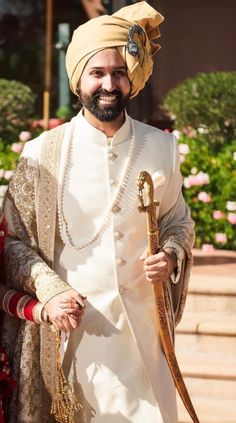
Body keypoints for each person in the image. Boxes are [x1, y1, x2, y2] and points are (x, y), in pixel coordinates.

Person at [1, 2, 195, 422]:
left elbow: (178, 221)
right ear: (78, 82)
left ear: (131, 79)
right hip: (74, 340)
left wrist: (173, 254)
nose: (110, 84)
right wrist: (50, 292)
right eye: (97, 73)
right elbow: (12, 241)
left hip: (145, 342)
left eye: (119, 72)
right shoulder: (41, 155)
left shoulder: (162, 147)